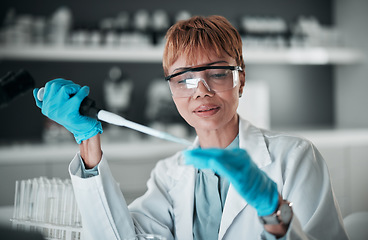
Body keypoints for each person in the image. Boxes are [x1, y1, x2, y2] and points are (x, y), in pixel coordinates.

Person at [33, 15, 348, 239]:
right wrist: (89, 139)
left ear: (241, 80)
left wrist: (274, 213)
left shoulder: (295, 158)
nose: (201, 91)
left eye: (218, 73)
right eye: (184, 78)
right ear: (171, 90)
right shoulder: (169, 175)